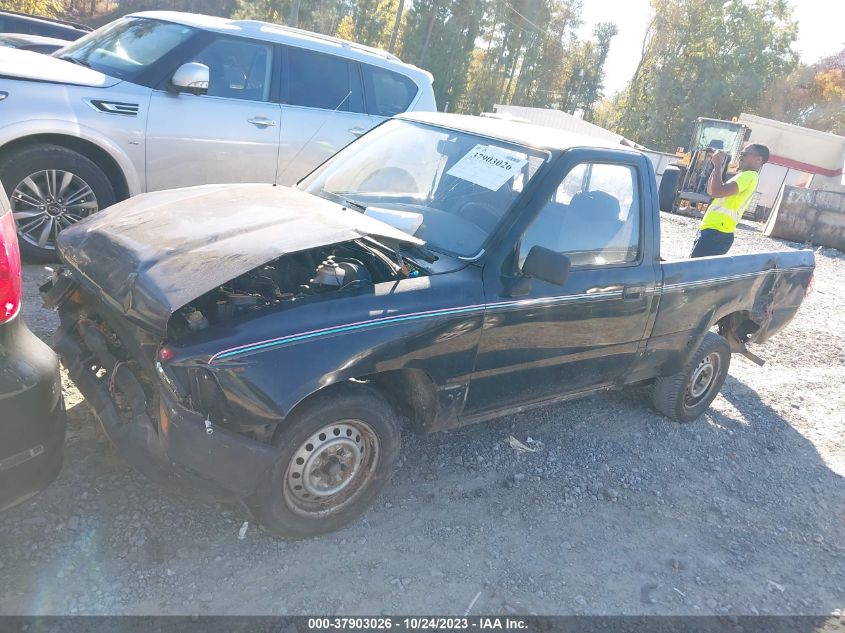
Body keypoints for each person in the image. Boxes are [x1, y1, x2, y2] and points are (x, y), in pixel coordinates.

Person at [689, 143, 769, 258]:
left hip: (716, 232)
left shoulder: (749, 176)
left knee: (694, 272)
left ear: (758, 159)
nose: (741, 156)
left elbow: (717, 192)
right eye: (741, 153)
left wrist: (717, 165)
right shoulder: (744, 175)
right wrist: (717, 167)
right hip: (714, 230)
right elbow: (711, 191)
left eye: (745, 154)